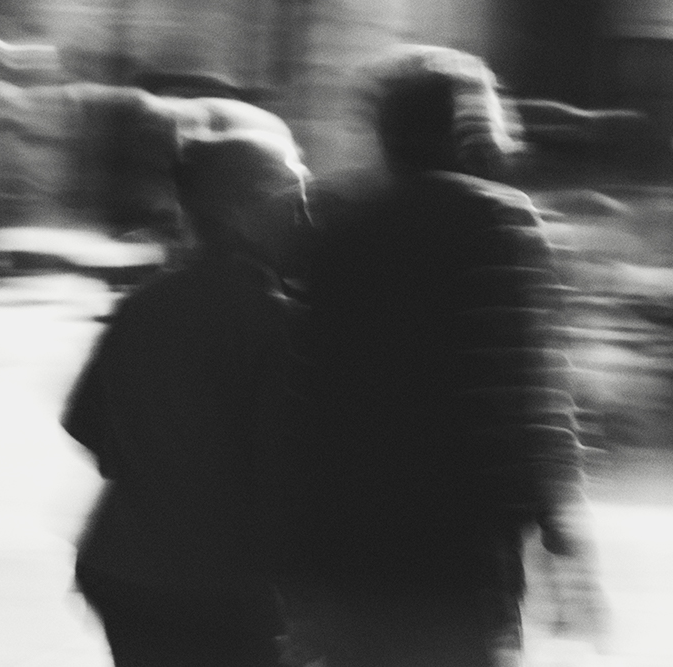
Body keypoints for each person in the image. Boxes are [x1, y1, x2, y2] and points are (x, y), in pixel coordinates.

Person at [283, 45, 608, 667]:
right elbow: (528, 394)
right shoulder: (498, 223)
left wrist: (297, 556)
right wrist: (562, 534)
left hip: (350, 540)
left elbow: (304, 399)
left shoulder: (339, 230)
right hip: (460, 545)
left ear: (385, 131)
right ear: (467, 130)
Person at [61, 129, 313, 667]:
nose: (304, 212)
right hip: (221, 588)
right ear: (242, 212)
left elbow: (83, 421)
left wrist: (152, 466)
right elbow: (285, 470)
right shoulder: (275, 322)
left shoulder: (142, 306)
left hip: (124, 568)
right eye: (292, 195)